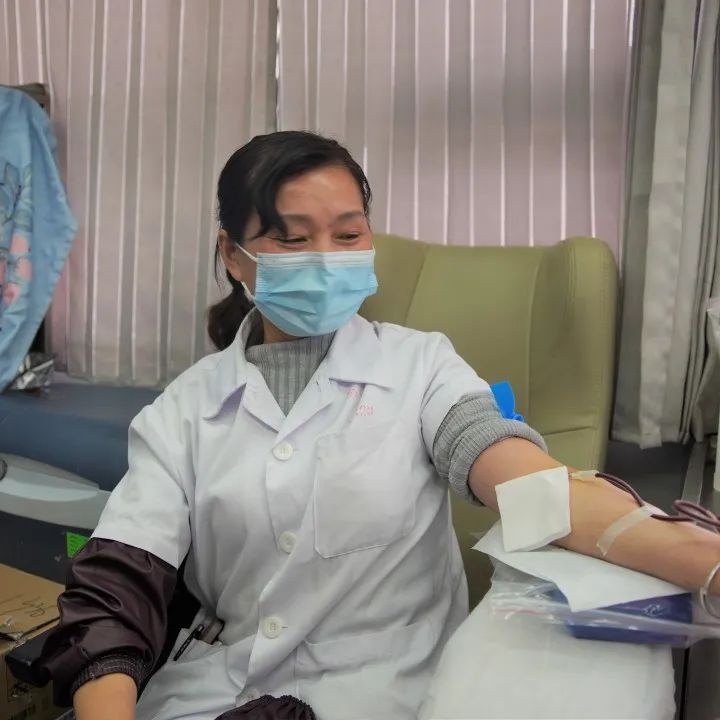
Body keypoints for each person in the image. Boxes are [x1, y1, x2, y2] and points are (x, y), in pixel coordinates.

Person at [40, 131, 720, 720]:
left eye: (348, 234)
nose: (325, 256)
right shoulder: (183, 410)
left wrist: (703, 561)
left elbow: (522, 481)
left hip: (388, 692)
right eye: (292, 238)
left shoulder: (421, 366)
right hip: (216, 692)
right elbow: (117, 592)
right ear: (232, 253)